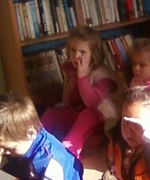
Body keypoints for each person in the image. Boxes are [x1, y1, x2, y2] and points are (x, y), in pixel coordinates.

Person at [0, 93, 83, 180]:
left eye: (9, 148)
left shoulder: (50, 165)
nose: (3, 152)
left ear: (31, 133)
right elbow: (2, 177)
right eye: (0, 147)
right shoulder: (18, 143)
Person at [41, 26, 121, 159]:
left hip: (103, 122)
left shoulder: (103, 75)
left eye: (82, 52)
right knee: (50, 115)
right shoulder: (72, 71)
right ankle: (40, 145)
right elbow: (70, 101)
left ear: (94, 55)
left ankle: (69, 150)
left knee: (87, 114)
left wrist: (82, 77)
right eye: (73, 50)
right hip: (78, 117)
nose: (76, 56)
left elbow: (92, 104)